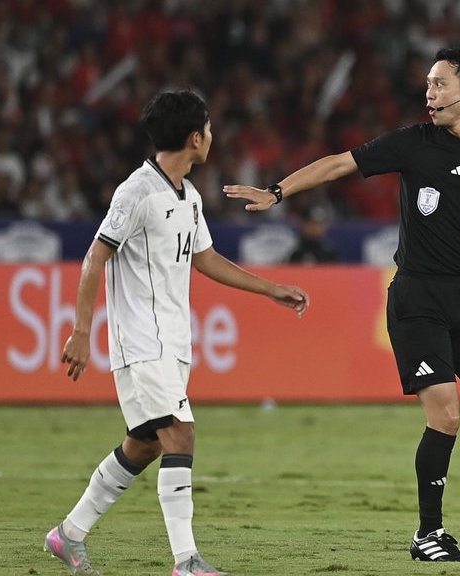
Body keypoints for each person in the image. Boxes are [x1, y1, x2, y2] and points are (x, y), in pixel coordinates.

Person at [224, 45, 460, 562]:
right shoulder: (413, 143)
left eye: (439, 84)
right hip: (416, 298)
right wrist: (277, 191)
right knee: (446, 417)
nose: (429, 94)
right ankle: (428, 534)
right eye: (428, 84)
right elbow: (341, 162)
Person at [44, 90, 310, 576]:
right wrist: (81, 330)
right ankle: (186, 561)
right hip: (140, 343)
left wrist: (270, 289)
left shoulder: (188, 197)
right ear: (194, 137)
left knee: (144, 444)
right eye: (208, 129)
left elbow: (205, 259)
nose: (212, 137)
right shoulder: (137, 192)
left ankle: (69, 534)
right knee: (180, 433)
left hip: (173, 344)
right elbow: (95, 255)